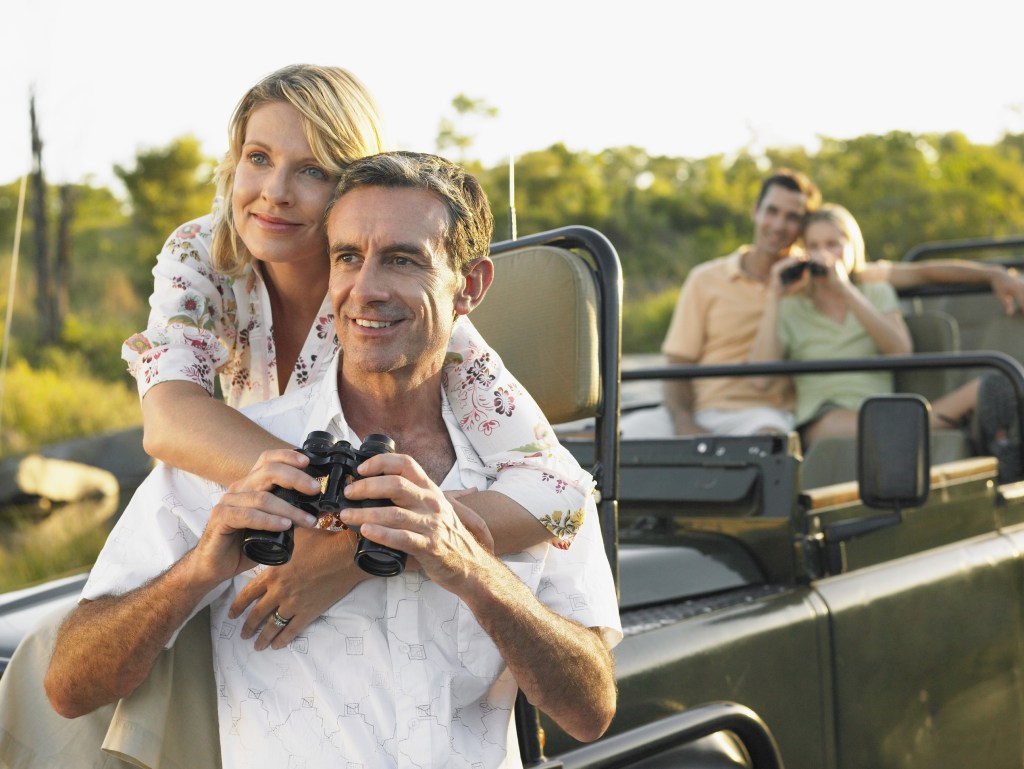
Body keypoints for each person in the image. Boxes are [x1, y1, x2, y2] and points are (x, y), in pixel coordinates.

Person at [0, 64, 593, 769]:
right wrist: (325, 525)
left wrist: (356, 551)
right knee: (56, 653)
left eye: (311, 170)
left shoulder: (413, 317)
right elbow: (168, 421)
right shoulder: (205, 252)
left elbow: (561, 493)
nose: (274, 191)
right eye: (258, 158)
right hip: (251, 507)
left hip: (310, 519)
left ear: (350, 188)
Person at [625, 168, 1024, 440]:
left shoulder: (815, 284)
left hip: (764, 417)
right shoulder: (706, 278)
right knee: (599, 440)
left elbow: (922, 274)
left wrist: (992, 274)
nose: (778, 224)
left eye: (790, 217)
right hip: (698, 413)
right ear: (756, 212)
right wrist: (683, 422)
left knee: (765, 444)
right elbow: (678, 362)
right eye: (772, 211)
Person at [746, 203, 987, 450]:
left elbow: (900, 351)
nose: (823, 255)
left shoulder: (875, 292)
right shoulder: (792, 307)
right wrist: (774, 295)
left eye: (833, 245)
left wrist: (845, 290)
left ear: (853, 246)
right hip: (825, 419)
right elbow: (760, 380)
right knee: (859, 425)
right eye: (814, 246)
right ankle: (935, 423)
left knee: (986, 385)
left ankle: (988, 436)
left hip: (880, 409)